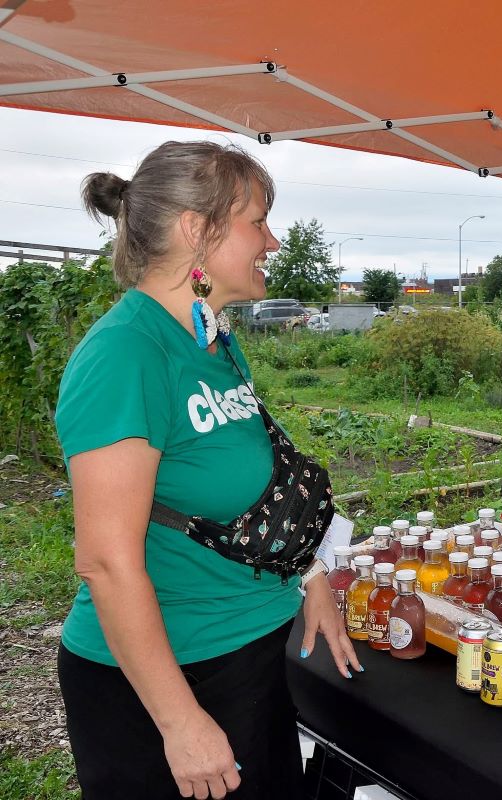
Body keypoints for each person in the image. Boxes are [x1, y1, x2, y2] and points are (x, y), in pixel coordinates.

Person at [56, 140, 360, 800]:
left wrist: (307, 573)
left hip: (248, 657)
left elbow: (254, 487)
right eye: (257, 220)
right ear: (196, 229)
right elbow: (105, 561)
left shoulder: (213, 336)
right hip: (162, 683)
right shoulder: (125, 355)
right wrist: (180, 722)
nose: (273, 241)